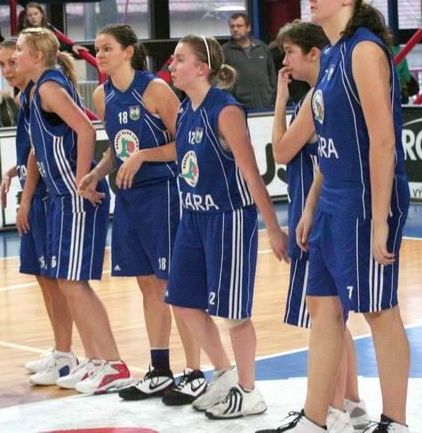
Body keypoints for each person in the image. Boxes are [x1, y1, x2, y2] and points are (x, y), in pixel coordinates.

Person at [285, 0, 410, 433]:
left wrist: (379, 219)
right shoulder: (333, 54)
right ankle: (316, 418)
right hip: (332, 201)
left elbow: (383, 140)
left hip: (365, 200)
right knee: (323, 308)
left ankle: (394, 421)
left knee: (379, 311)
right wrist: (311, 206)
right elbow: (327, 141)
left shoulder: (363, 50)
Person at [78, 24, 204, 405]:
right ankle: (160, 369)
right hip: (128, 197)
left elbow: (185, 143)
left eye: (107, 48)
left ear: (129, 51)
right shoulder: (101, 96)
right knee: (147, 286)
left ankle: (195, 372)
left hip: (162, 194)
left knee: (173, 285)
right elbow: (118, 149)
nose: (99, 55)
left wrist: (144, 156)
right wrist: (97, 173)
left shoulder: (156, 90)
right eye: (97, 49)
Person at [165, 34, 287, 419]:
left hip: (229, 217)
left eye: (179, 59)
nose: (171, 65)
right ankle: (224, 374)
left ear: (202, 68)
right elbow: (182, 156)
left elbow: (251, 172)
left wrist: (273, 228)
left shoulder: (226, 110)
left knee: (234, 313)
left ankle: (249, 392)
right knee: (183, 302)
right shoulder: (184, 110)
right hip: (193, 217)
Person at [263, 20, 370, 432]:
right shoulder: (316, 94)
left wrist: (279, 100)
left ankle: (334, 408)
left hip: (320, 215)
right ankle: (350, 403)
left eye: (290, 52)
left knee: (326, 314)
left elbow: (281, 151)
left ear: (313, 53)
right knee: (331, 316)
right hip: (315, 211)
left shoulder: (316, 97)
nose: (285, 61)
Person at [15, 27, 132, 395]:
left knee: (73, 284)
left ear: (37, 55)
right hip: (60, 198)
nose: (14, 56)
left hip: (75, 197)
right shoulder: (34, 90)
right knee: (68, 284)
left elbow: (86, 130)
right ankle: (97, 361)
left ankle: (113, 364)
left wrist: (84, 180)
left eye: (19, 49)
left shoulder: (49, 88)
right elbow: (38, 150)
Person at [0, 37, 76, 384]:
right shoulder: (26, 96)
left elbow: (67, 141)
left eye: (12, 61)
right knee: (44, 279)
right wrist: (14, 171)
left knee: (56, 280)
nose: (7, 69)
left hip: (49, 194)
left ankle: (66, 354)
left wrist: (27, 197)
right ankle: (61, 349)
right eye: (2, 64)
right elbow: (34, 151)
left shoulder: (45, 91)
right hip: (37, 190)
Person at [222, 12, 276, 109]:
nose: (235, 29)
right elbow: (223, 83)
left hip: (267, 107)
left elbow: (272, 76)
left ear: (248, 28)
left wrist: (273, 98)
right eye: (232, 26)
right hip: (240, 108)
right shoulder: (224, 52)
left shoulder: (261, 47)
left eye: (239, 26)